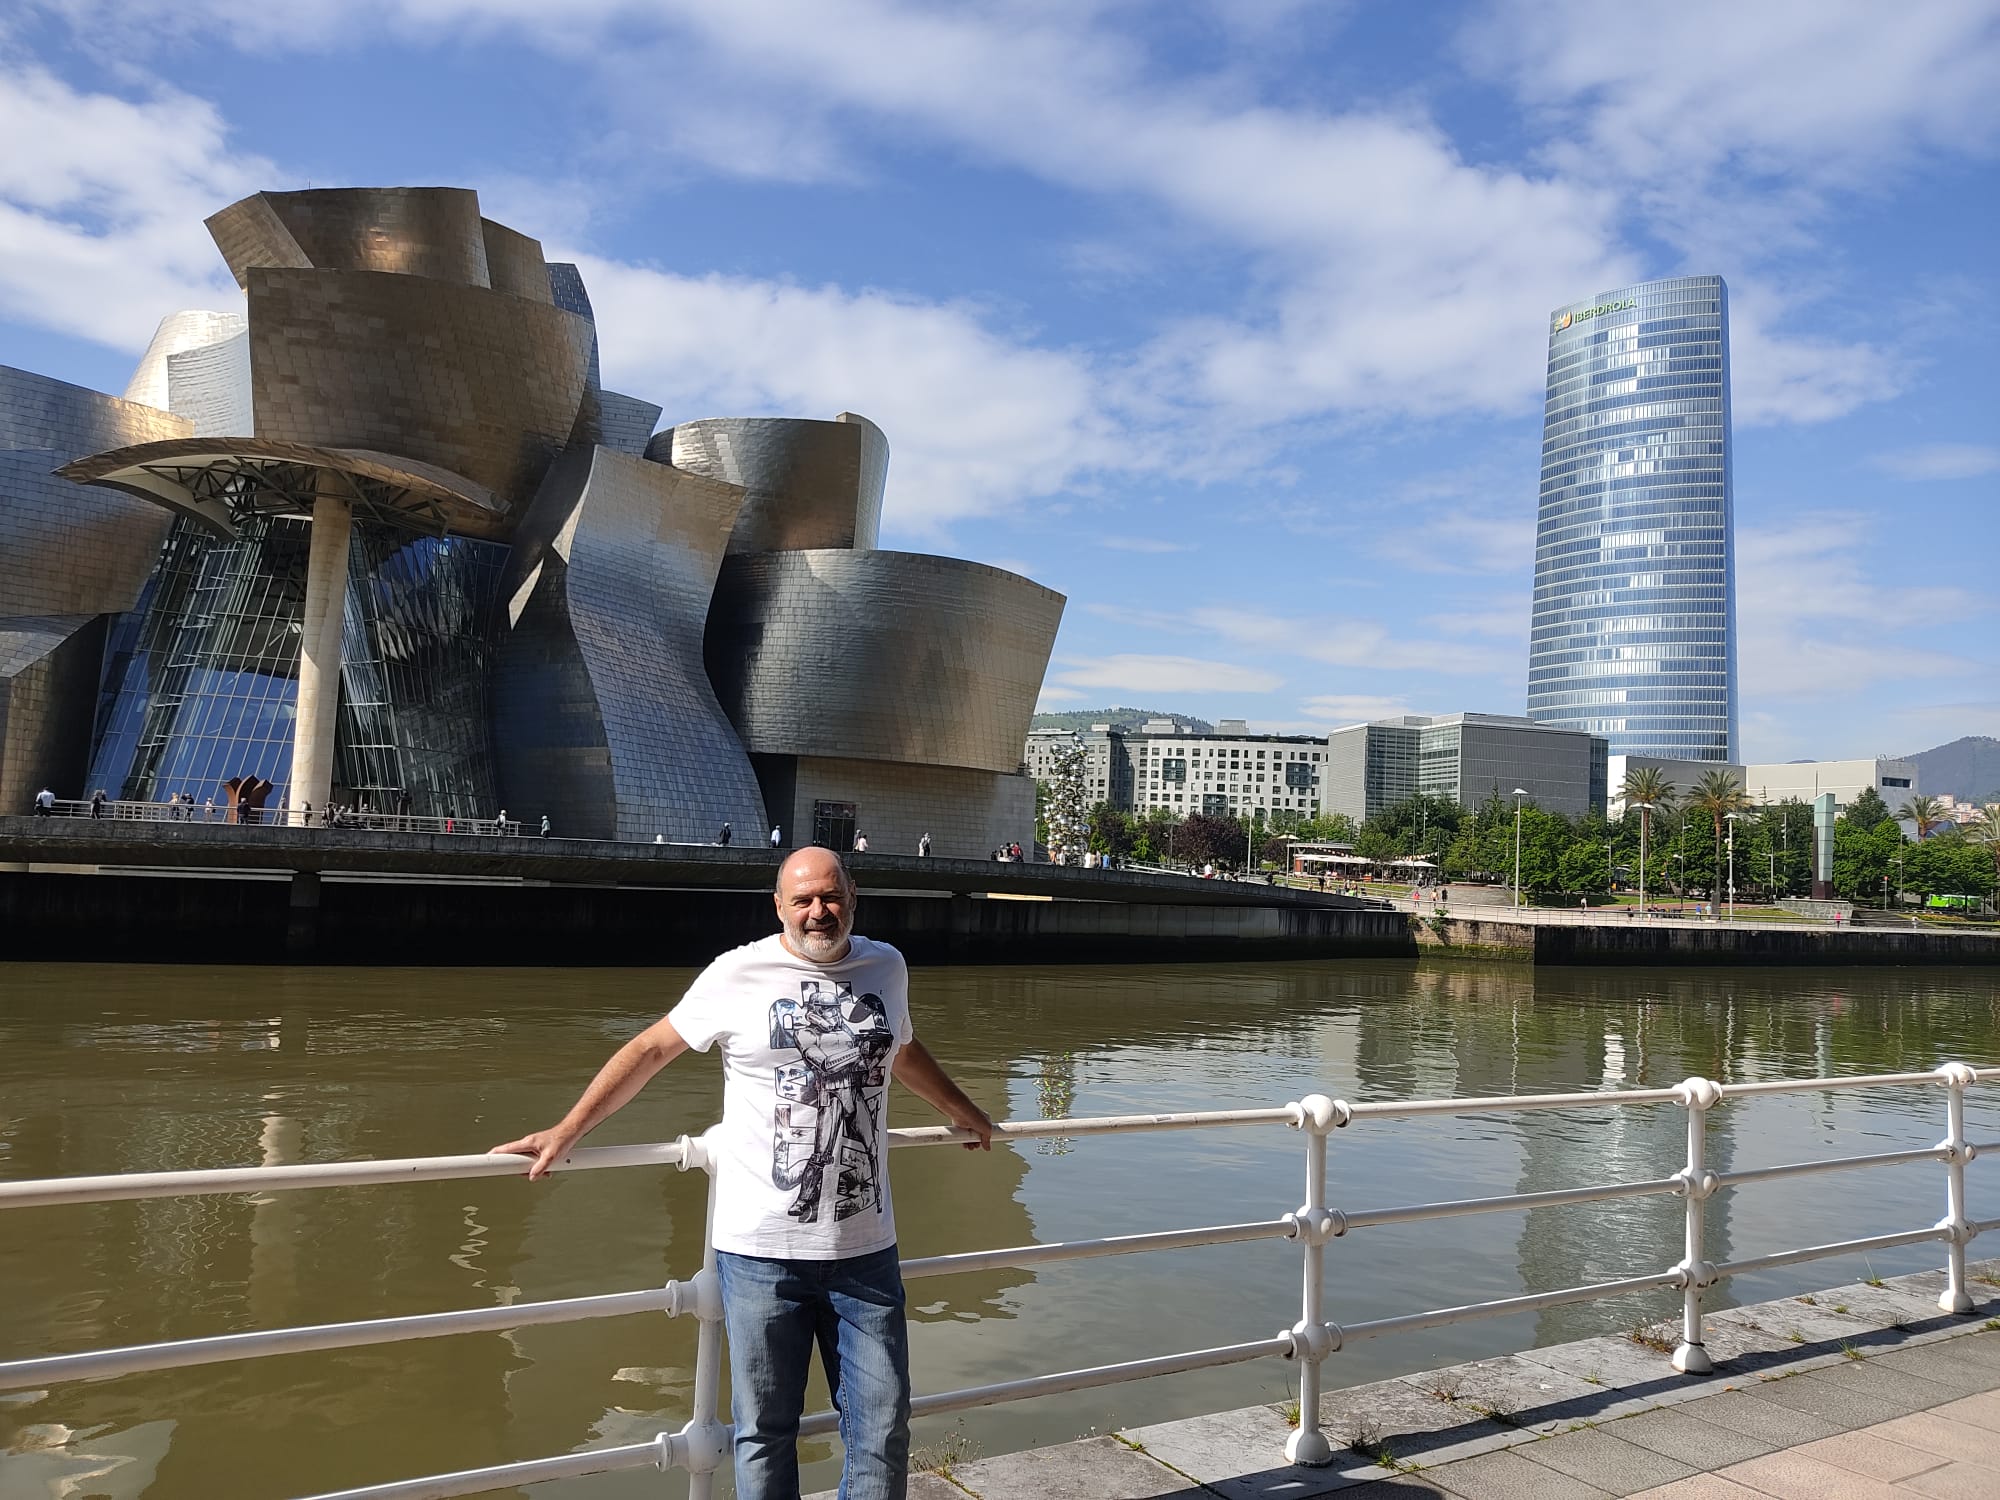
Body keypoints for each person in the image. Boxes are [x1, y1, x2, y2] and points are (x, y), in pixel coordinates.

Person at [492, 847, 992, 1500]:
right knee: (765, 1432)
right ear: (779, 906)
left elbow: (896, 1046)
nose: (819, 911)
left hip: (865, 1251)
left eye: (831, 897)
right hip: (761, 1255)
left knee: (882, 1423)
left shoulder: (886, 966)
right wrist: (569, 1130)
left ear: (854, 898)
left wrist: (965, 1110)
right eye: (804, 900)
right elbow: (650, 1049)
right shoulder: (738, 973)